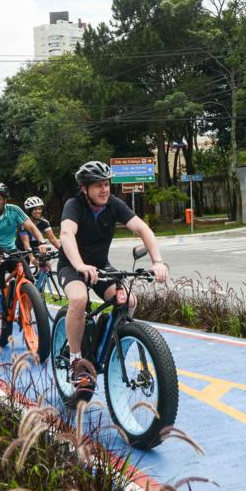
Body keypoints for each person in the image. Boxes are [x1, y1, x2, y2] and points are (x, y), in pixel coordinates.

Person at [57, 161, 168, 399]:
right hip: (72, 266)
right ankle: (76, 360)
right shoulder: (73, 205)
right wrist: (79, 265)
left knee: (128, 301)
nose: (104, 190)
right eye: (98, 186)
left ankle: (108, 348)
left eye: (106, 184)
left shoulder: (114, 205)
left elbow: (143, 229)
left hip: (101, 267)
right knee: (78, 300)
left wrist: (158, 261)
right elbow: (66, 234)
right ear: (85, 189)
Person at [0, 182, 49, 315]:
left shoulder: (14, 210)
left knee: (29, 278)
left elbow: (31, 227)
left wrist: (42, 242)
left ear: (4, 200)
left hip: (11, 251)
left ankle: (21, 305)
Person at [17, 196, 61, 264]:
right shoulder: (24, 224)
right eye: (35, 209)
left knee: (47, 264)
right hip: (23, 249)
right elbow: (26, 243)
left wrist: (63, 251)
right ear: (29, 211)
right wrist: (31, 258)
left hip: (36, 247)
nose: (38, 211)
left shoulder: (44, 222)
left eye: (39, 209)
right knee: (25, 270)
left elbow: (52, 238)